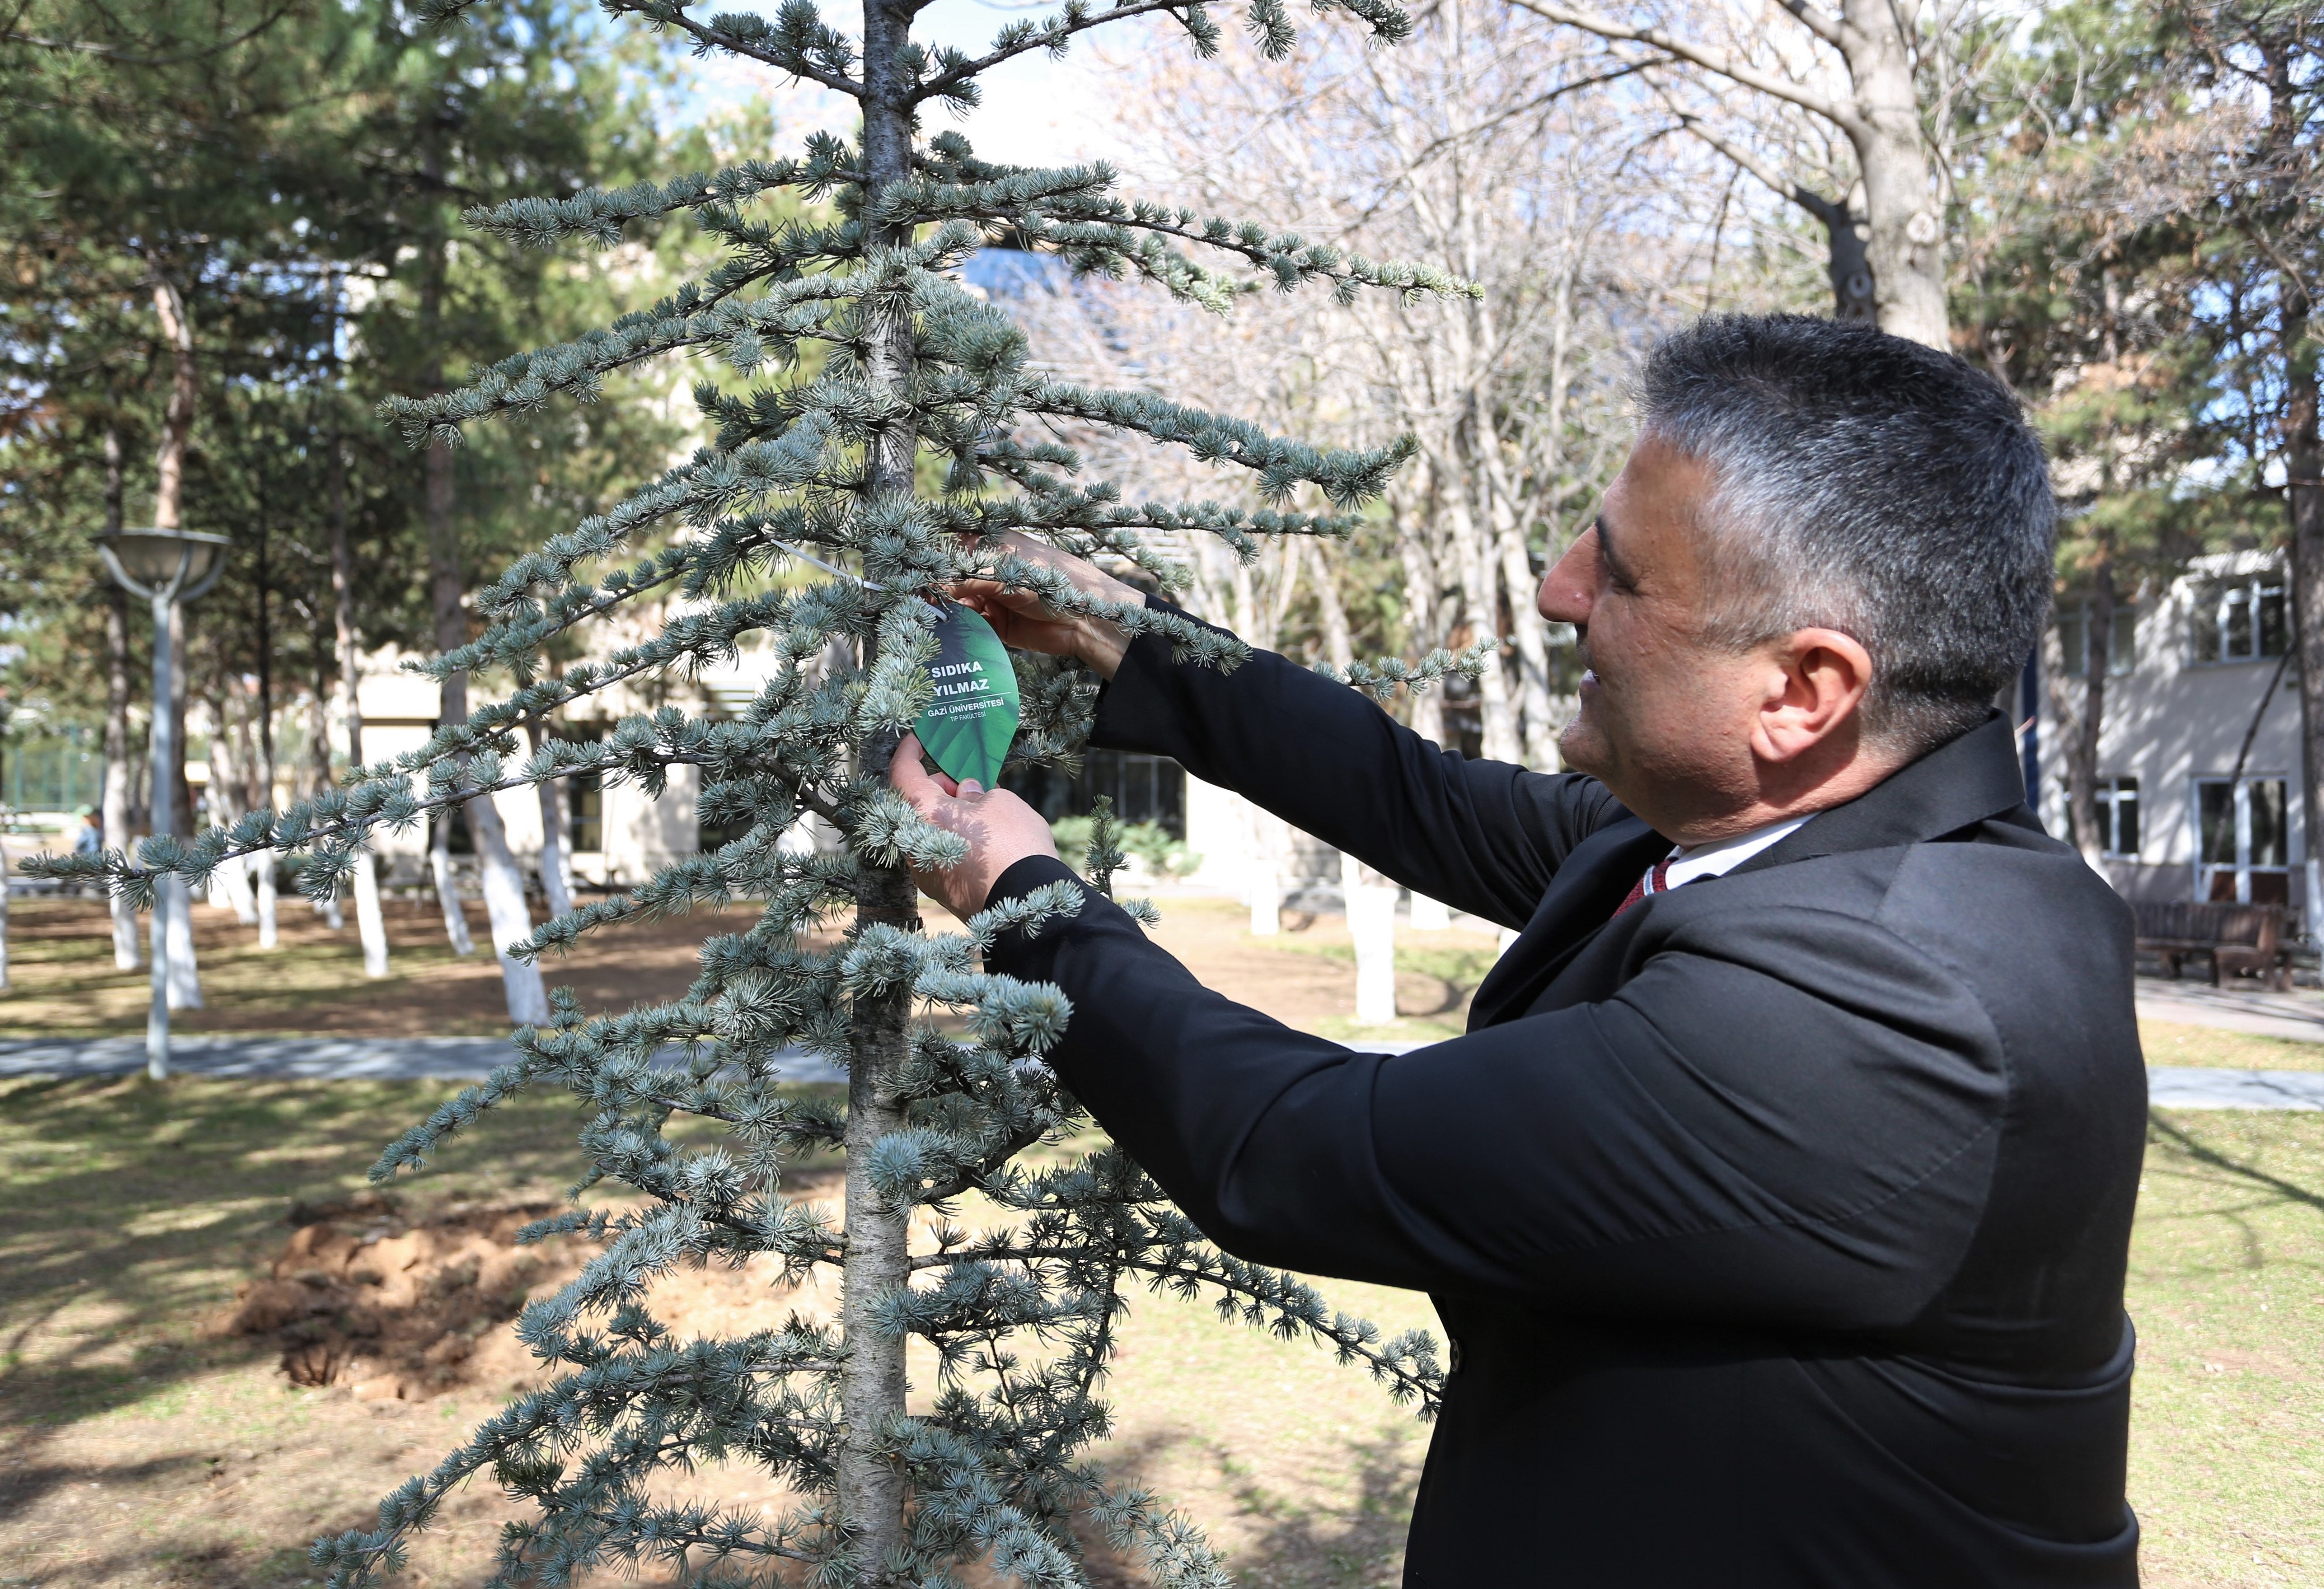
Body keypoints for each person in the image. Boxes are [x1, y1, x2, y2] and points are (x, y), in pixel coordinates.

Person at [890, 314, 2145, 1587]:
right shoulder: (1784, 841)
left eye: (1620, 574)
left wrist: (1019, 893)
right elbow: (1418, 801)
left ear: (1801, 692)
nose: (1557, 592)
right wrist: (1121, 631)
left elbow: (1291, 1147)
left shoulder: (1878, 1011)